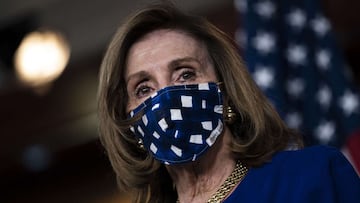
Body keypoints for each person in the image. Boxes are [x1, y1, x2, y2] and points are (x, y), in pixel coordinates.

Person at [97, 3, 360, 203]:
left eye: (185, 74)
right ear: (129, 121)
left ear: (226, 91)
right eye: (143, 88)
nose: (166, 97)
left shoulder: (313, 174)